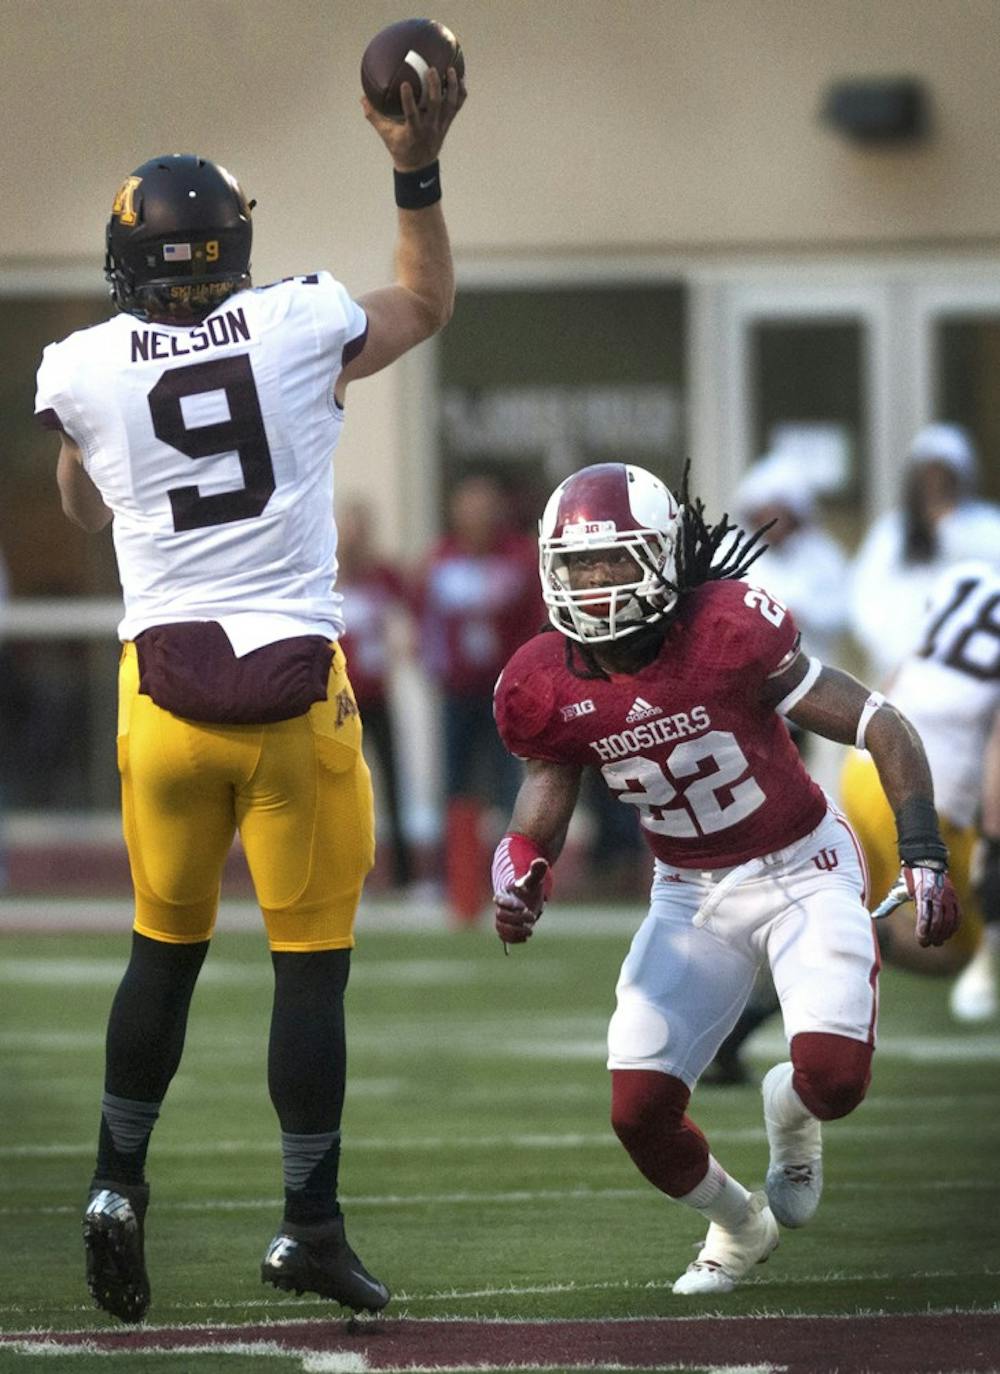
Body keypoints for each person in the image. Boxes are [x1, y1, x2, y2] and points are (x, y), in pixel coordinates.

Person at [33, 66, 465, 1325]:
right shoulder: (296, 324)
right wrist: (414, 166)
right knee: (308, 969)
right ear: (236, 248)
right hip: (293, 695)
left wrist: (119, 477)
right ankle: (308, 1225)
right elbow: (428, 299)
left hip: (161, 703)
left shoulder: (87, 363)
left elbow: (78, 501)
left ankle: (118, 1184)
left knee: (160, 949)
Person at [490, 461, 960, 1296]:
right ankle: (740, 1225)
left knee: (834, 1081)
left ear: (664, 558)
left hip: (802, 865)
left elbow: (879, 722)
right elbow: (544, 798)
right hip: (691, 893)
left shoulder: (728, 630)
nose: (595, 587)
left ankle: (790, 1108)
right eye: (579, 566)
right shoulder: (544, 680)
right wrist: (519, 866)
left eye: (614, 562)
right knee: (637, 1113)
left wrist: (922, 849)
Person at [841, 560, 1000, 1020]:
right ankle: (842, 935)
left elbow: (900, 675)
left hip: (869, 764)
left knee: (853, 904)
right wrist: (993, 839)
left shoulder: (966, 576)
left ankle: (741, 1022)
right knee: (958, 947)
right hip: (928, 791)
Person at [416, 472, 542, 919]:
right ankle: (458, 880)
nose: (476, 517)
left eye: (484, 507)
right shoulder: (441, 558)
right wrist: (430, 665)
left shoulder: (521, 556)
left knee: (515, 785)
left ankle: (518, 876)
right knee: (456, 783)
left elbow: (534, 619)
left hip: (509, 689)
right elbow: (425, 618)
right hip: (459, 688)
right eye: (469, 507)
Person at [849, 424, 1000, 682]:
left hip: (971, 673)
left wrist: (947, 528)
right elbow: (863, 596)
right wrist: (893, 649)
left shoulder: (987, 526)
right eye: (927, 478)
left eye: (943, 477)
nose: (935, 486)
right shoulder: (892, 531)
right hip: (900, 670)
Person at [336, 498, 413, 889]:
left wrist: (404, 648)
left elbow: (411, 608)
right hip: (337, 699)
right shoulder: (326, 573)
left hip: (376, 693)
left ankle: (402, 873)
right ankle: (344, 867)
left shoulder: (382, 575)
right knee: (341, 783)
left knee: (391, 780)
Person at [732, 453, 849, 665]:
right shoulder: (731, 553)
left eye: (781, 515)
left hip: (813, 670)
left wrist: (806, 614)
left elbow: (843, 608)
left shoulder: (823, 555)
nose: (774, 523)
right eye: (766, 515)